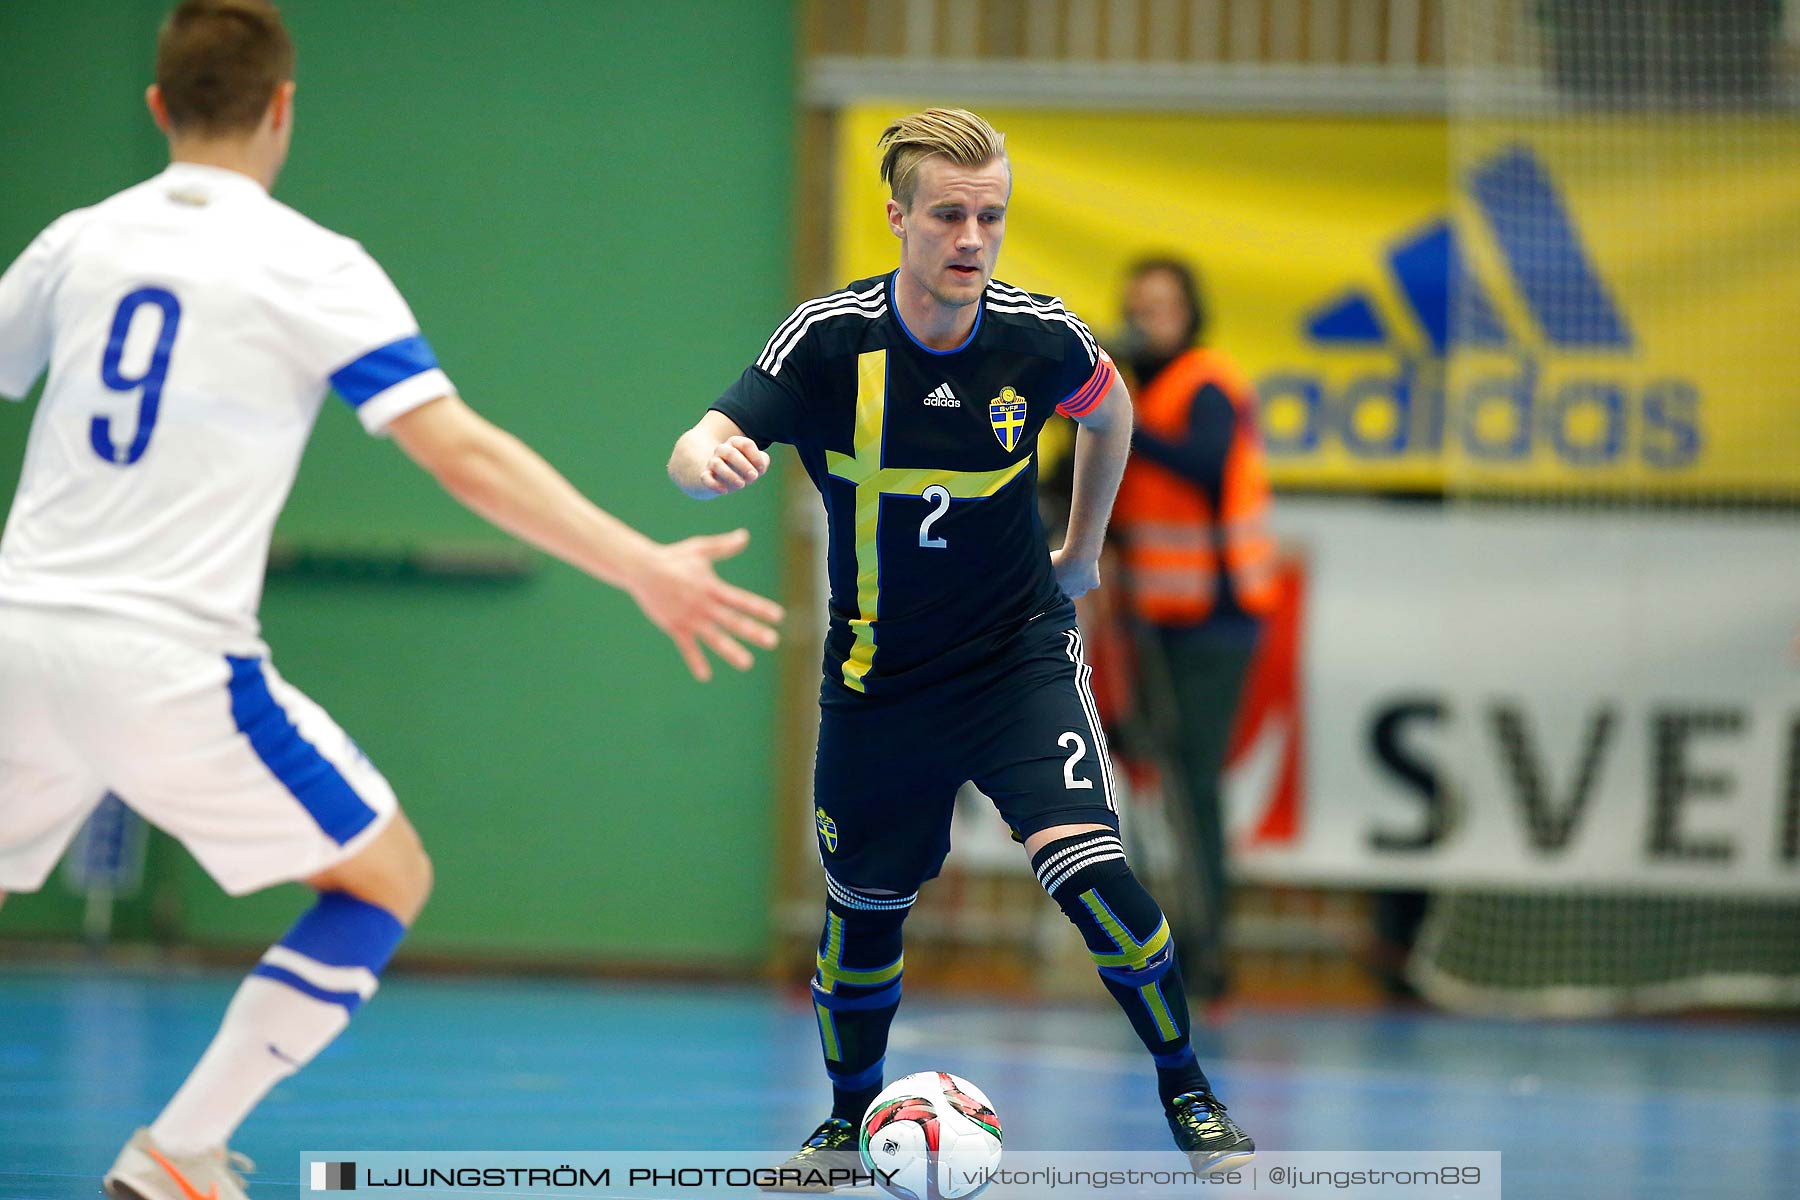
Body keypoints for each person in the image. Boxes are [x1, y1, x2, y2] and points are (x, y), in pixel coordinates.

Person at [0, 4, 782, 1197]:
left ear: (157, 108)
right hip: (167, 658)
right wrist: (645, 564)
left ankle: (179, 1156)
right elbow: (460, 455)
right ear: (284, 107)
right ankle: (178, 1152)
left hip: (18, 632)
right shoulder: (309, 263)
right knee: (385, 879)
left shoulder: (75, 242)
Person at [669, 109, 1255, 1185]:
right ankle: (848, 1123)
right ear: (898, 218)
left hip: (1014, 665)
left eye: (990, 215)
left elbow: (1110, 410)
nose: (972, 237)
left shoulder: (1036, 337)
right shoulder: (831, 340)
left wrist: (1080, 549)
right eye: (948, 214)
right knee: (863, 916)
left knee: (1095, 878)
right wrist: (705, 458)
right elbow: (702, 433)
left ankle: (1191, 1091)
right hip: (876, 683)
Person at [1109, 257, 1278, 1002]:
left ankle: (1209, 944)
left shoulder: (1205, 382)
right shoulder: (1131, 394)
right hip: (1155, 614)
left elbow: (1209, 463)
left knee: (1193, 778)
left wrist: (1121, 425)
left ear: (1189, 312)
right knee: (1160, 772)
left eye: (1164, 306)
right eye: (1138, 307)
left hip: (1215, 614)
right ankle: (1168, 933)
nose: (1150, 319)